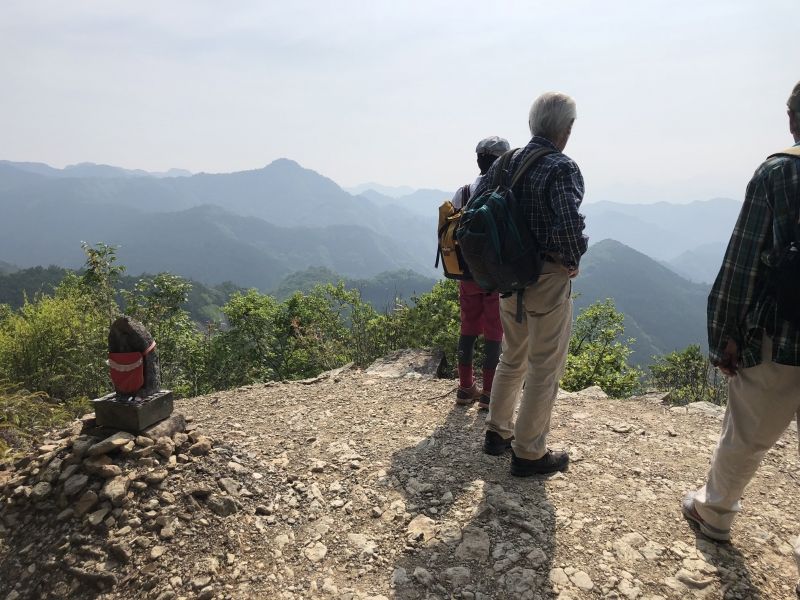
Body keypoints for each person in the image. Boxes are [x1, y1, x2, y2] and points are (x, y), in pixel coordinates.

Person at [682, 81, 800, 594]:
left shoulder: (780, 172)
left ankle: (716, 512)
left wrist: (725, 336)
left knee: (748, 429)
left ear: (793, 119)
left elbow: (742, 262)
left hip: (782, 333)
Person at [474, 92, 587, 476]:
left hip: (507, 278)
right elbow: (569, 224)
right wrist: (572, 260)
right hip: (547, 277)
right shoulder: (561, 167)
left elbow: (477, 202)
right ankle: (529, 452)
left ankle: (497, 433)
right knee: (544, 367)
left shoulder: (506, 162)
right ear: (566, 129)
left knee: (512, 355)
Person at [452, 136, 510, 410]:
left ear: (478, 160)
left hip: (466, 274)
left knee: (468, 329)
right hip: (496, 277)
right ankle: (488, 394)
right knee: (494, 333)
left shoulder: (462, 193)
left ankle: (465, 388)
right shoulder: (507, 193)